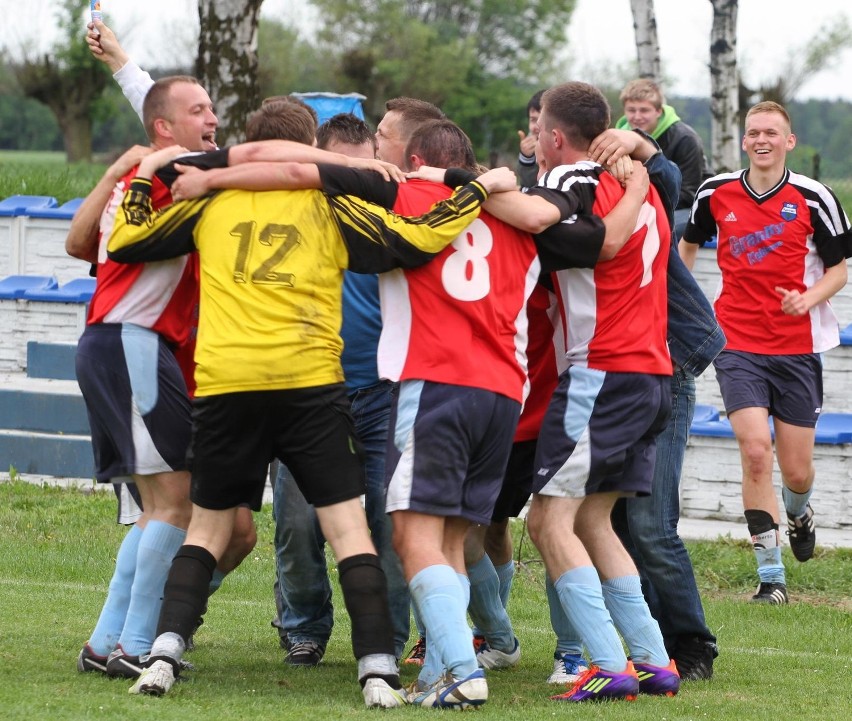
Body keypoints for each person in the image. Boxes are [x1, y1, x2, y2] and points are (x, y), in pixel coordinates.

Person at [106, 117, 518, 704]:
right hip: (310, 385)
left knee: (208, 526)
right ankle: (377, 669)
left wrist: (145, 177)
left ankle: (162, 655)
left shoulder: (211, 201)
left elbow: (126, 240)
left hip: (228, 383)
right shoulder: (330, 203)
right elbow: (418, 237)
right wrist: (476, 191)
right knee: (350, 528)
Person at [523, 81, 681, 702]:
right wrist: (641, 170)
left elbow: (586, 238)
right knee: (593, 519)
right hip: (651, 375)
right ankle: (653, 659)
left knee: (547, 520)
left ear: (556, 138)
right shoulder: (646, 193)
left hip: (602, 372)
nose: (535, 143)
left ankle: (609, 664)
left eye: (539, 132)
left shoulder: (574, 180)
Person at [68, 74, 222, 680]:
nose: (213, 118)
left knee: (159, 502)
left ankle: (107, 639)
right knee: (175, 502)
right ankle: (133, 644)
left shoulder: (137, 178)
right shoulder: (173, 172)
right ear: (164, 127)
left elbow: (79, 242)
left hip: (112, 345)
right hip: (132, 345)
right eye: (199, 109)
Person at [680, 101, 851, 605]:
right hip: (737, 343)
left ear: (789, 141)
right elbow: (686, 245)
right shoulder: (715, 193)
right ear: (744, 141)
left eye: (771, 133)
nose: (761, 140)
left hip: (797, 348)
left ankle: (799, 511)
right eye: (753, 132)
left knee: (796, 471)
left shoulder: (814, 197)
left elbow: (841, 269)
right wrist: (689, 302)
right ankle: (770, 576)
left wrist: (808, 298)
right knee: (756, 452)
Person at [268, 113, 411, 665]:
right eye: (341, 169)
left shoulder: (393, 211)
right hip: (307, 391)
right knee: (299, 523)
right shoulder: (300, 208)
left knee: (386, 521)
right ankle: (303, 628)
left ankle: (388, 639)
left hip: (381, 395)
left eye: (364, 168)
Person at [616, 78, 712, 239]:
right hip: (639, 203)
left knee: (659, 228)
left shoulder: (685, 139)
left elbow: (690, 194)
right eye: (631, 110)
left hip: (690, 206)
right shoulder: (619, 137)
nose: (637, 116)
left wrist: (640, 201)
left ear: (658, 111)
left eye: (644, 110)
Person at [517, 89, 545, 189]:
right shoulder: (530, 149)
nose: (536, 126)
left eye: (542, 119)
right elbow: (528, 184)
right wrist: (526, 157)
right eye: (533, 120)